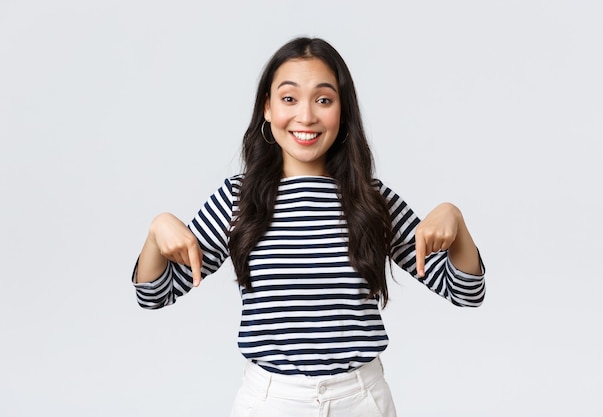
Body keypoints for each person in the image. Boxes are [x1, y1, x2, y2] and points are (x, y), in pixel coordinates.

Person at [132, 37, 485, 417]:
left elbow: (465, 292)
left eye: (323, 99)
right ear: (267, 108)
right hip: (270, 403)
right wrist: (157, 231)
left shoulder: (371, 201)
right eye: (289, 99)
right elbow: (155, 295)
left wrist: (456, 220)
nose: (306, 116)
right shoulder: (238, 199)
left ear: (342, 111)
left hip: (361, 401)